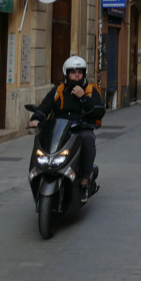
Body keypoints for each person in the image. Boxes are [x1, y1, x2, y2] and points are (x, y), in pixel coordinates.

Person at [29, 55, 104, 203]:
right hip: (59, 130)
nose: (77, 75)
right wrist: (36, 119)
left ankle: (84, 181)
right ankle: (36, 174)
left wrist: (83, 98)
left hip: (80, 130)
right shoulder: (58, 91)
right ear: (66, 74)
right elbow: (45, 106)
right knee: (40, 140)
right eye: (73, 72)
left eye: (80, 72)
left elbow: (99, 111)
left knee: (89, 138)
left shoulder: (90, 91)